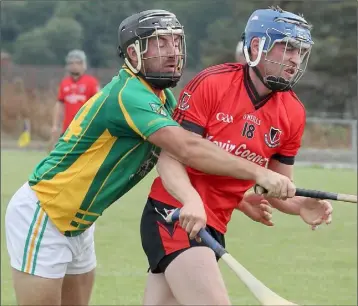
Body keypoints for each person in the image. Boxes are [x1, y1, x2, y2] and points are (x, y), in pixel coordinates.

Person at [5, 9, 295, 306]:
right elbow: (187, 148)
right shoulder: (130, 94)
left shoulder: (162, 98)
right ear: (133, 52)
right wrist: (259, 173)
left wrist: (240, 198)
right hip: (46, 213)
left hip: (80, 223)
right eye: (161, 44)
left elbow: (173, 157)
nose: (174, 52)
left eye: (177, 43)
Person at [140, 6, 334, 305]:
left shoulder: (293, 112)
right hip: (175, 215)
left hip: (215, 225)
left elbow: (276, 185)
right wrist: (191, 200)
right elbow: (170, 157)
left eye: (300, 51)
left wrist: (299, 205)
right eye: (287, 47)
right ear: (257, 46)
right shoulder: (213, 83)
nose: (295, 59)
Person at [48, 49, 100, 151]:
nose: (74, 65)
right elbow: (60, 104)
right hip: (68, 130)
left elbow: (99, 105)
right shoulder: (64, 83)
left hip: (85, 129)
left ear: (83, 64)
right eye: (71, 63)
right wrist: (55, 125)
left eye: (78, 62)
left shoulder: (92, 82)